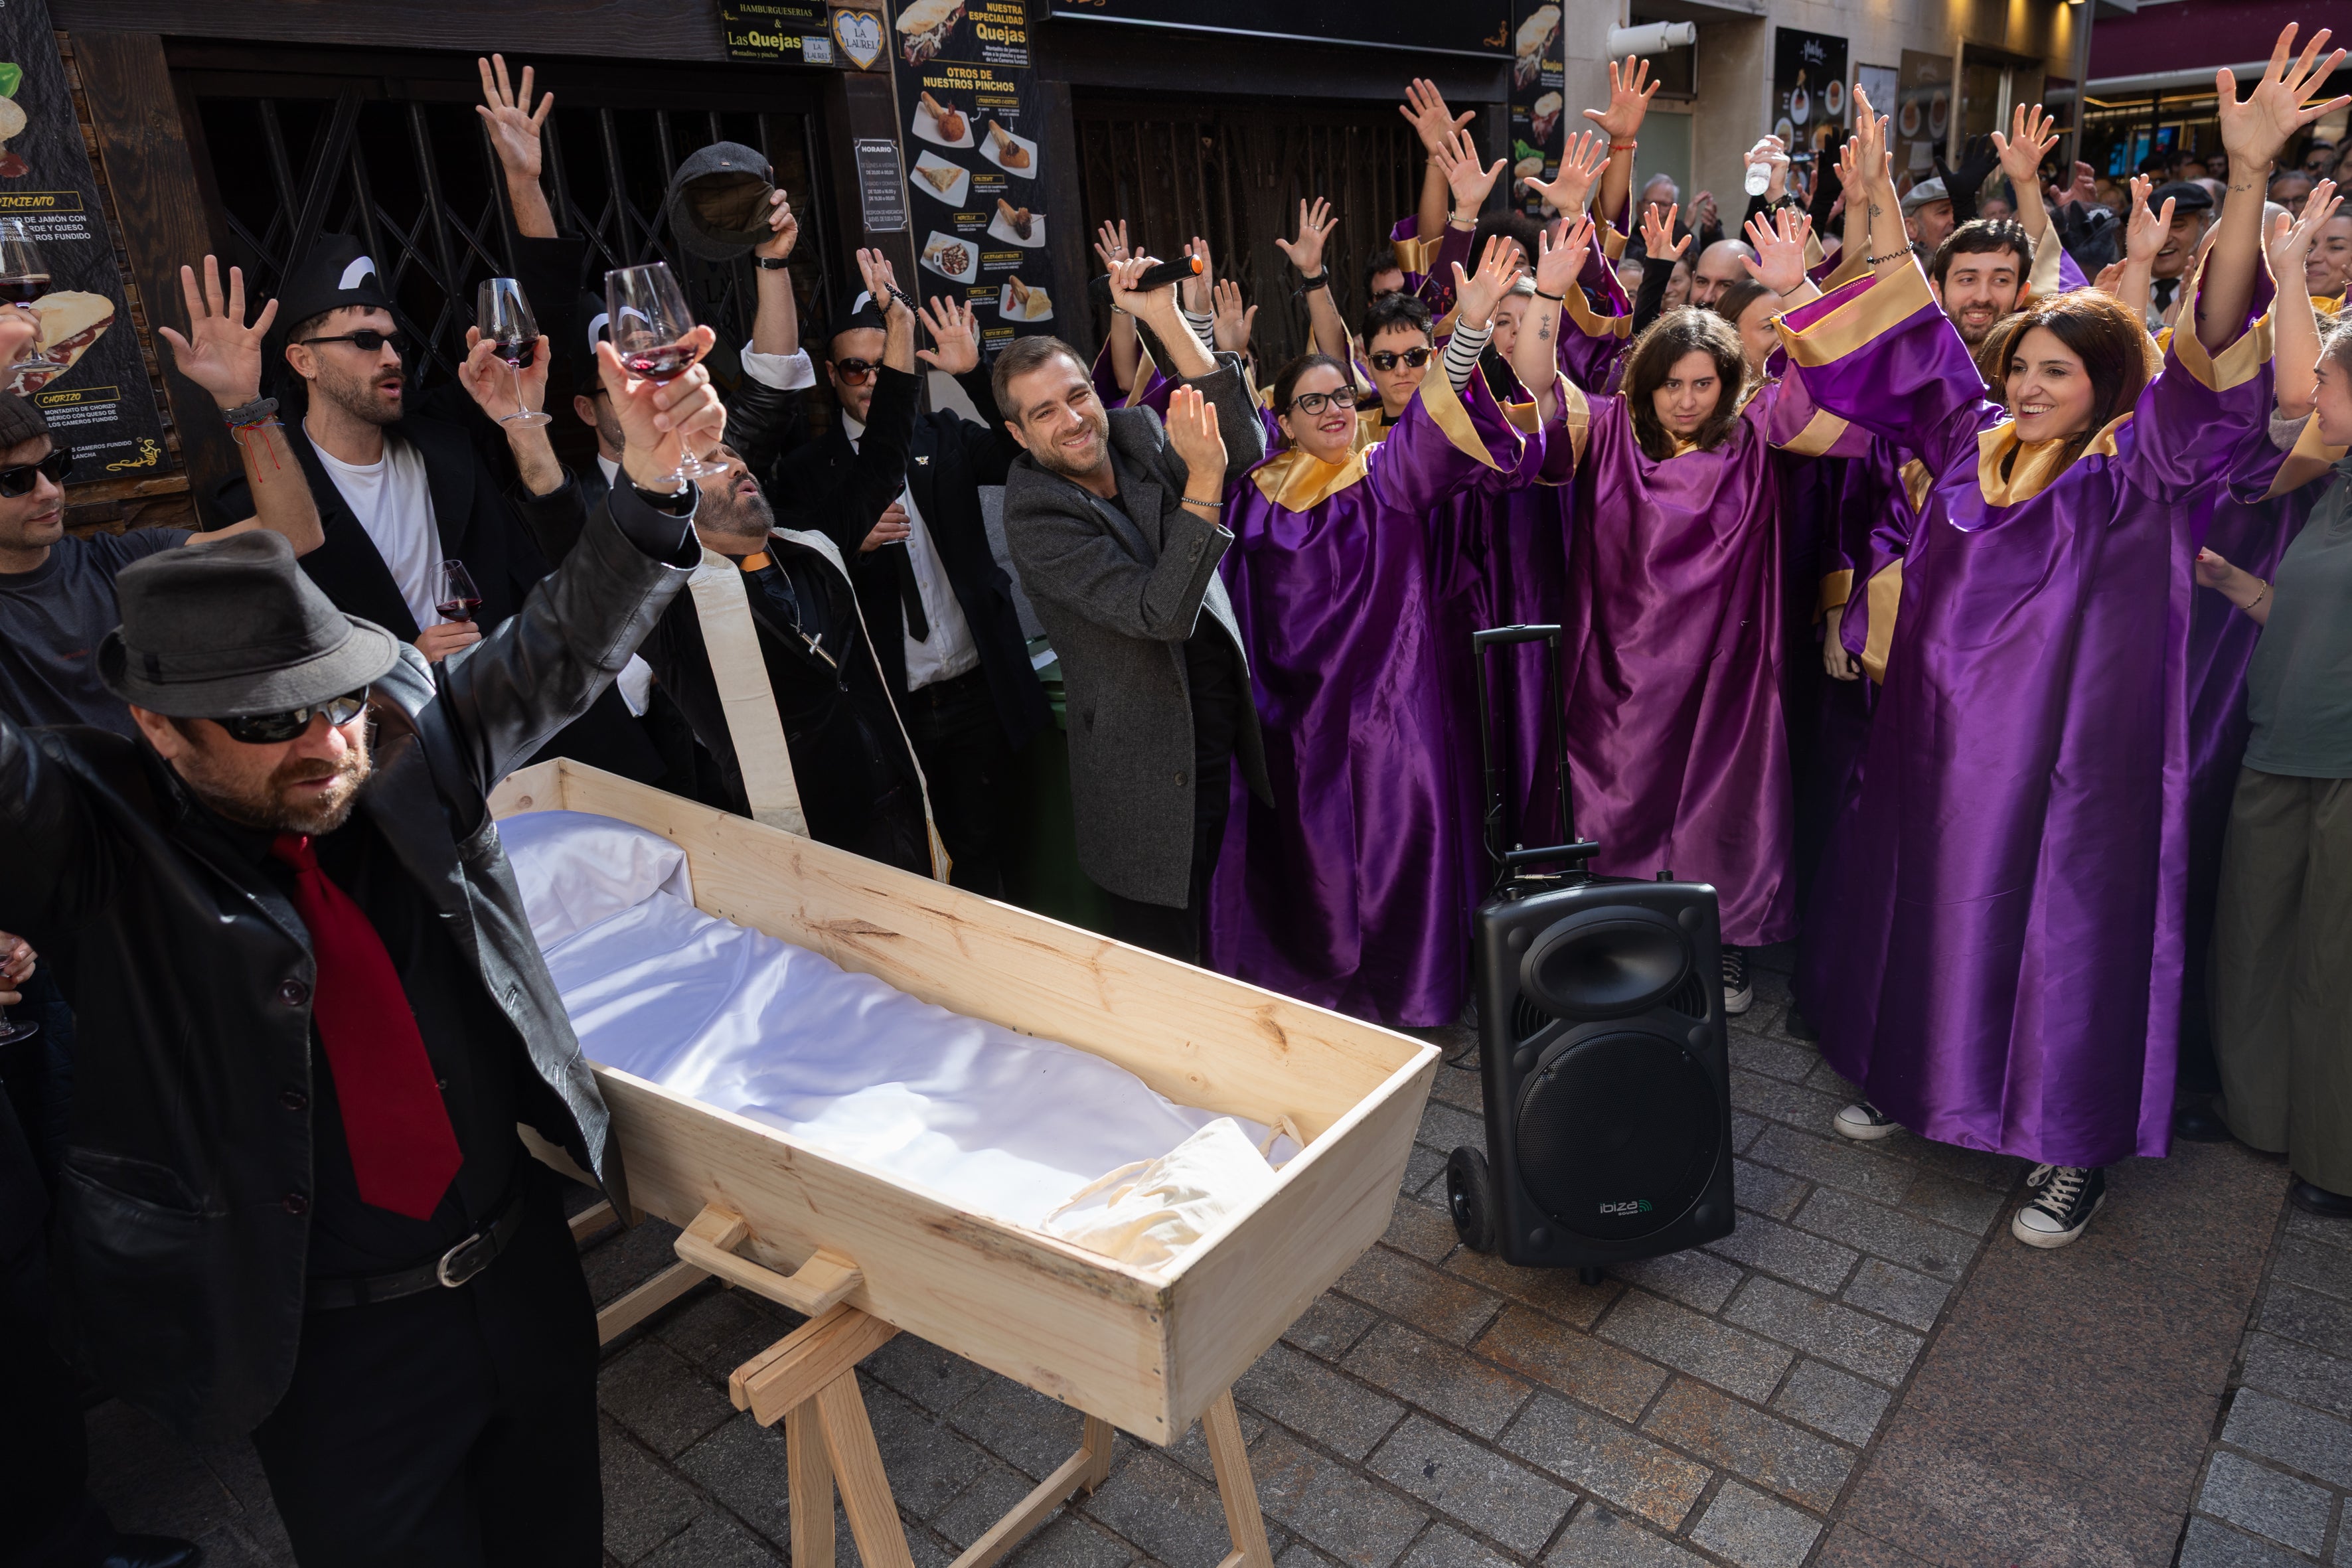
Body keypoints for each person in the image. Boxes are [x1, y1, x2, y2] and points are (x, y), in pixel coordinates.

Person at [0, 330, 722, 1559]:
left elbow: (559, 648)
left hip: (520, 1278)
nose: (325, 740)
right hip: (325, 1353)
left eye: (333, 693)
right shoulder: (96, 843)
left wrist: (652, 484)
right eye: (269, 722)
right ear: (160, 730)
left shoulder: (399, 753)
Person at [1787, 40, 2341, 1249]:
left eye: (2057, 370)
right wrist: (1871, 203)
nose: (2031, 385)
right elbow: (1911, 330)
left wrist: (2246, 182)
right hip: (1936, 751)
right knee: (1922, 907)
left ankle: (2065, 1150)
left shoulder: (2134, 473)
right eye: (2020, 367)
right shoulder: (1963, 437)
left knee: (2062, 936)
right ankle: (1907, 1072)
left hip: (2068, 771)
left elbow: (2207, 355)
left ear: (2103, 384)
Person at [1512, 204, 1859, 1016]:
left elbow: (1830, 386)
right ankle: (1607, 932)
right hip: (1619, 659)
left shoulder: (1757, 434)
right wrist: (1547, 301)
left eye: (1704, 383)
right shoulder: (1606, 432)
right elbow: (1533, 396)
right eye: (1672, 383)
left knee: (1724, 797)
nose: (1687, 399)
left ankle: (1726, 939)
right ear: (1645, 381)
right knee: (1610, 792)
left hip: (1727, 662)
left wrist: (1799, 289)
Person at [1206, 237, 1545, 1026]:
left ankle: (1412, 992)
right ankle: (1317, 988)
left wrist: (1466, 327)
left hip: (1391, 711)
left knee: (1403, 850)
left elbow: (1437, 405)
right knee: (1313, 861)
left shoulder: (1387, 471)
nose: (1330, 411)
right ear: (1281, 420)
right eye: (1311, 402)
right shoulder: (1252, 496)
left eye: (1337, 398)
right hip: (1294, 716)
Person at [623, 251, 943, 874]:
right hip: (806, 857)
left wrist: (900, 325)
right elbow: (569, 539)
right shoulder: (673, 613)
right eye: (712, 462)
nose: (739, 463)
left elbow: (882, 457)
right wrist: (525, 436)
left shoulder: (812, 547)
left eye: (734, 456)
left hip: (902, 820)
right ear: (677, 503)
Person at [996, 257, 1269, 961]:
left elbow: (1247, 444)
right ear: (1017, 435)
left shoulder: (1138, 433)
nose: (1073, 419)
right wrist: (1203, 482)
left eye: (1077, 395)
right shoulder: (1034, 516)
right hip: (1143, 780)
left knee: (1218, 928)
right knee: (1167, 965)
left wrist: (1163, 318)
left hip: (1212, 733)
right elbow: (1160, 614)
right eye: (1044, 412)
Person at [766, 250, 1048, 898]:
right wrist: (844, 540)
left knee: (997, 864)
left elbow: (1023, 451)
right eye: (856, 368)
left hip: (980, 696)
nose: (871, 380)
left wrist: (979, 374)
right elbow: (782, 584)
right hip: (890, 707)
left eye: (879, 362)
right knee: (913, 872)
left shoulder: (943, 434)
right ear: (833, 377)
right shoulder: (807, 472)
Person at [1902, 176, 1956, 256]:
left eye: (1958, 211)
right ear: (1911, 227)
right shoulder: (1898, 267)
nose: (1954, 220)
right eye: (1943, 212)